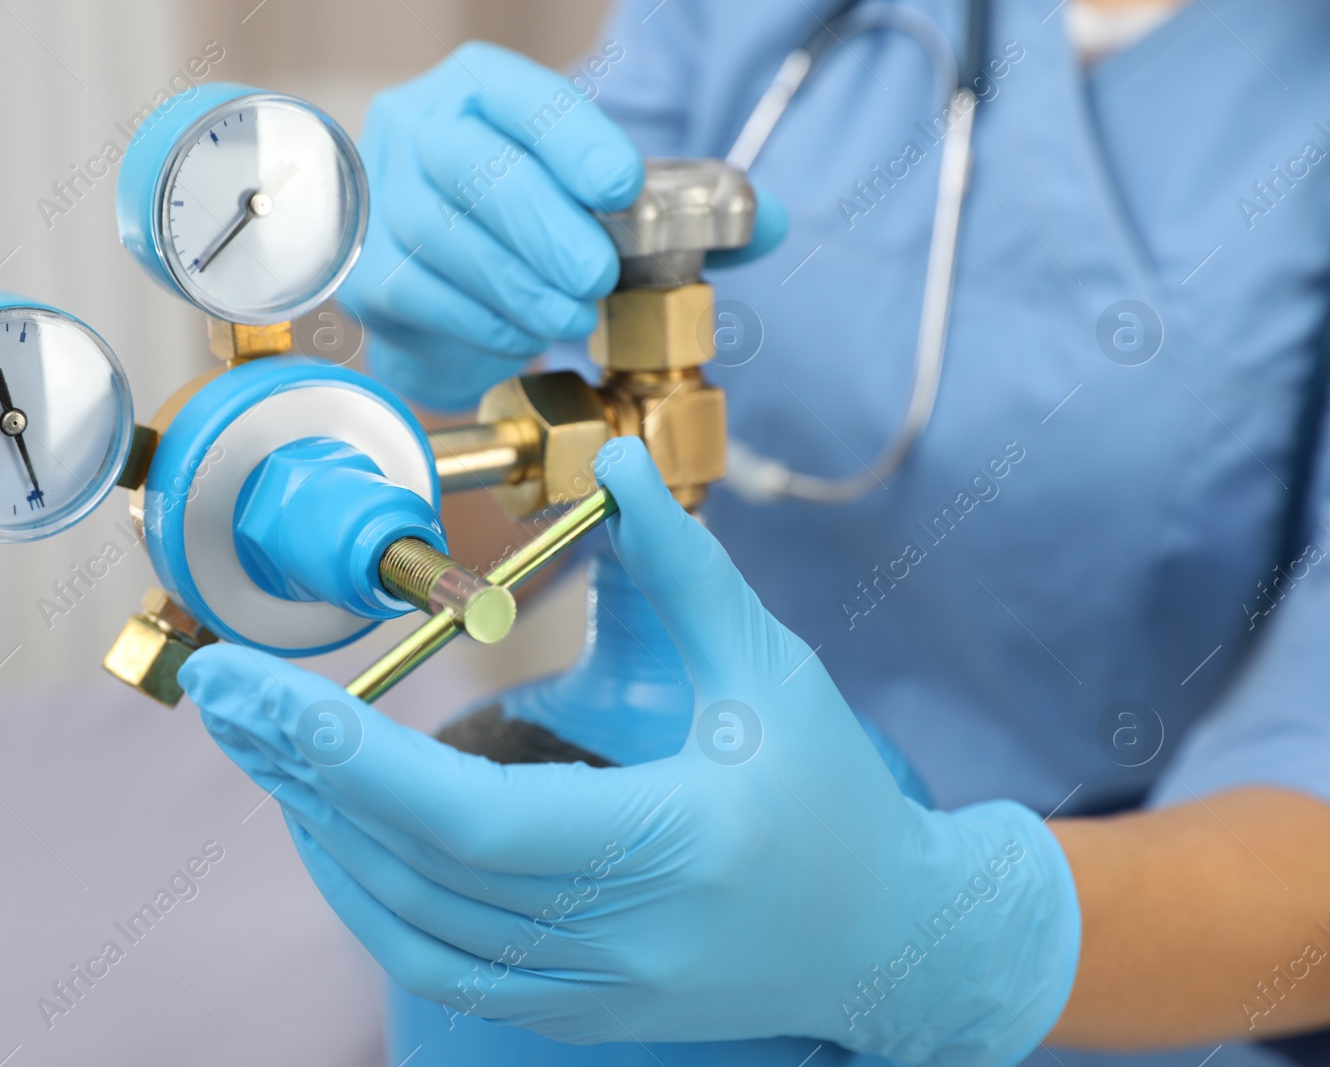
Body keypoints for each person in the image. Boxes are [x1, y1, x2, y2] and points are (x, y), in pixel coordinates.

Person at [180, 0, 1330, 1063]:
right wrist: (421, 359)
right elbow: (492, 515)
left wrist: (941, 928)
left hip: (1117, 989)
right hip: (615, 852)